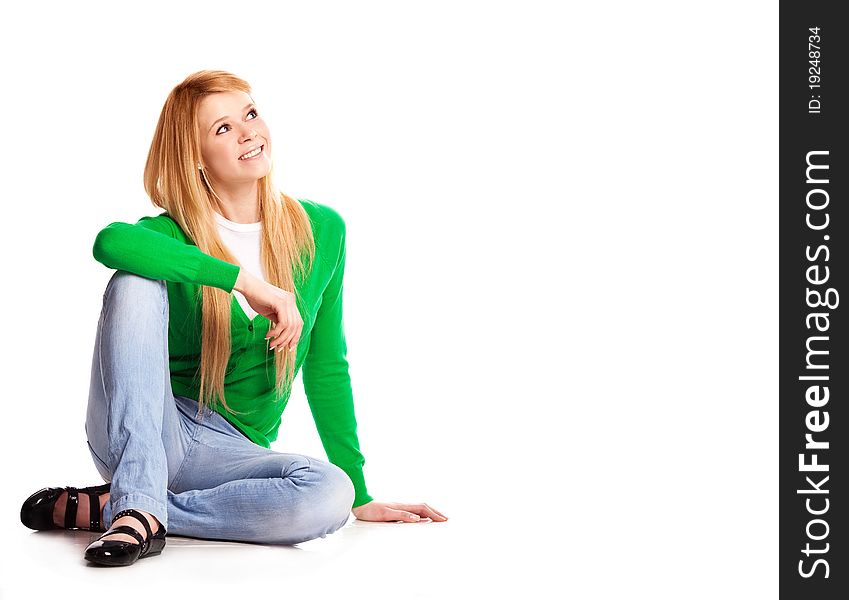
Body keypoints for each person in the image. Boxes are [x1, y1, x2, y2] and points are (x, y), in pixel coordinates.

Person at [20, 70, 447, 567]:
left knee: (330, 493)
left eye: (249, 114)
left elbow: (328, 365)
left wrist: (360, 492)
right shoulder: (170, 232)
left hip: (229, 452)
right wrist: (244, 282)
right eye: (222, 128)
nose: (248, 132)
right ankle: (137, 497)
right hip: (147, 425)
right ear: (194, 157)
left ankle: (134, 510)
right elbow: (110, 243)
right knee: (134, 278)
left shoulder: (323, 230)